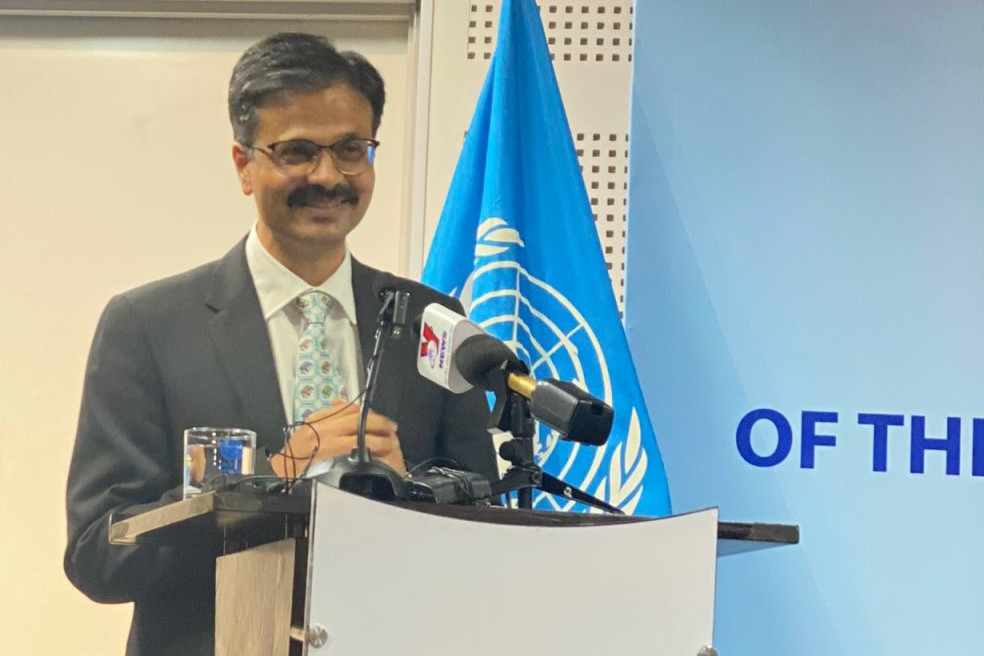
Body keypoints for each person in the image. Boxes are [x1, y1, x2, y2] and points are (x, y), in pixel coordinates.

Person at [64, 32, 499, 656]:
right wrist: (274, 479)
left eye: (350, 150)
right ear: (243, 165)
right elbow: (96, 555)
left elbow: (485, 539)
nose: (328, 176)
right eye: (297, 151)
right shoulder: (147, 326)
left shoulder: (431, 321)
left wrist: (412, 493)